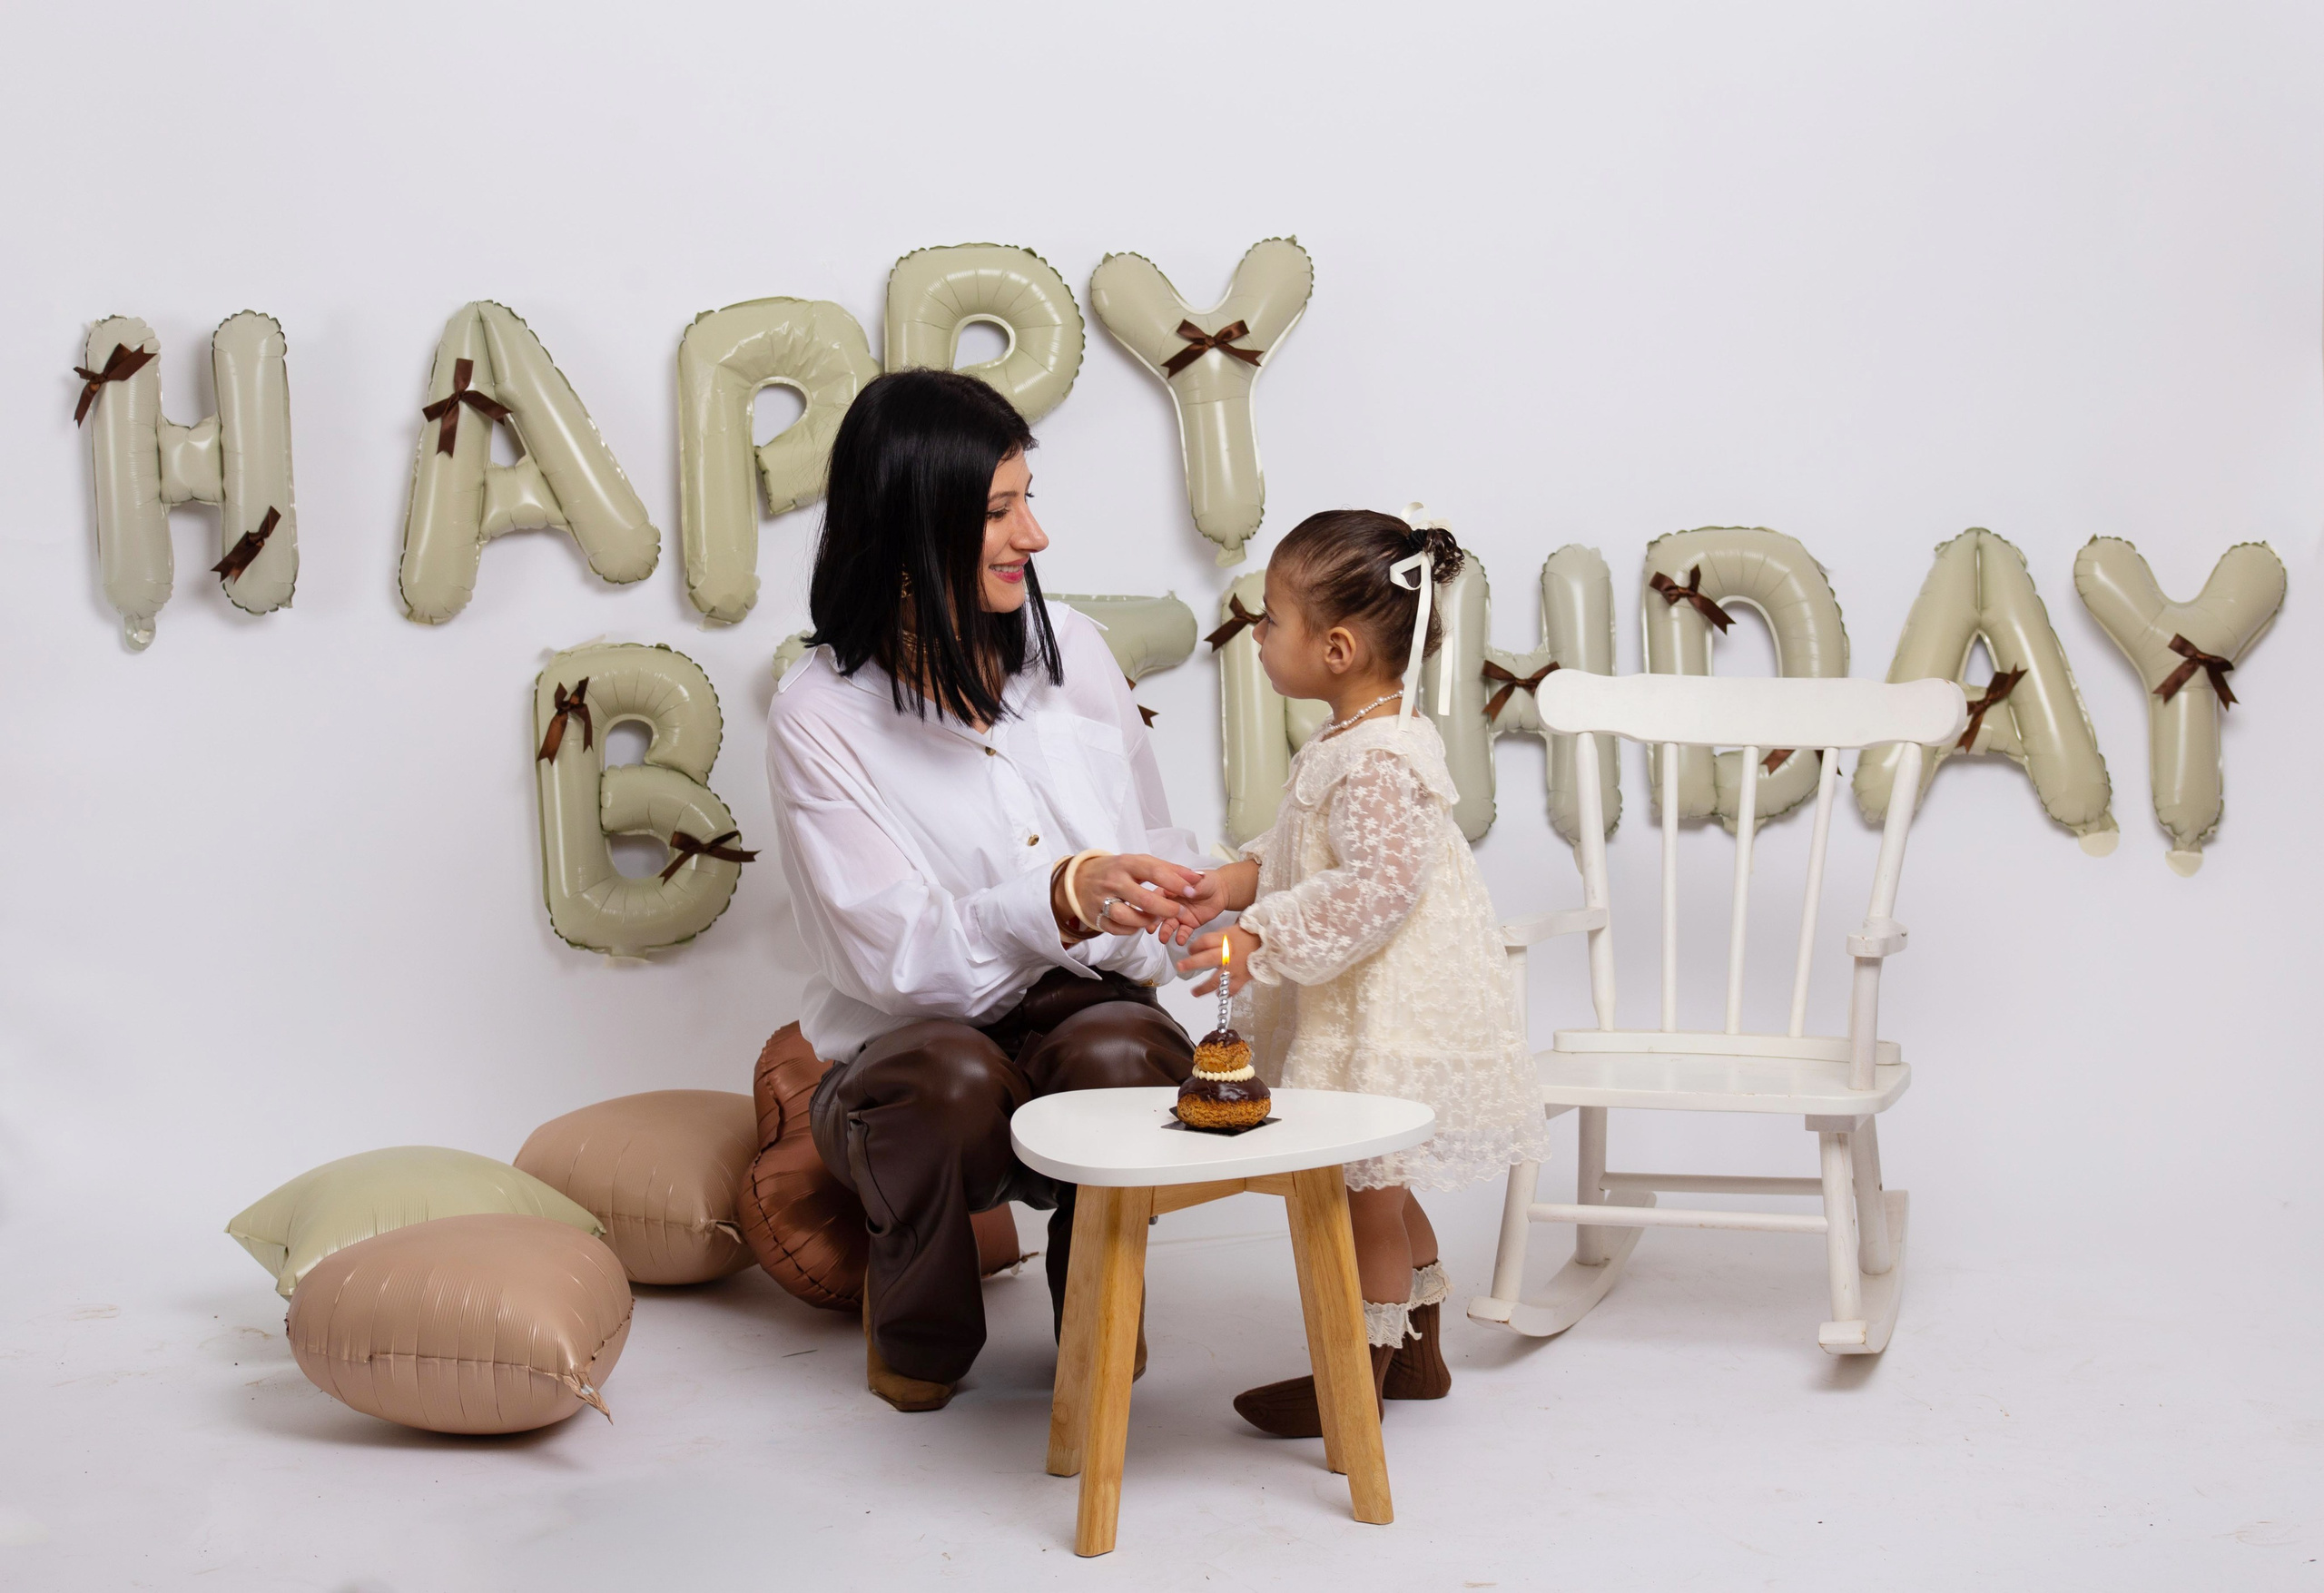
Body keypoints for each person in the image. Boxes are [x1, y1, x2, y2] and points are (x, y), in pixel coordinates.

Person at [764, 369, 1207, 1412]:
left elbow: (1150, 845)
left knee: (1123, 1049)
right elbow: (896, 964)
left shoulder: (1078, 657)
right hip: (905, 1051)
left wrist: (1166, 901)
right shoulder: (820, 714)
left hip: (1081, 1011)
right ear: (913, 521)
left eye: (1027, 499)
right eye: (1000, 510)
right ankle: (919, 1333)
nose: (1034, 536)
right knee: (948, 1081)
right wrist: (1058, 893)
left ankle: (1102, 1315)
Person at [1175, 508, 1551, 1436]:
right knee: (1380, 1184)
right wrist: (1234, 878)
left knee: (1360, 1199)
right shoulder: (1361, 737)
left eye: (1269, 620)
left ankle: (1356, 1376)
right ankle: (1415, 1358)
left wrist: (1256, 937)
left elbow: (1377, 886)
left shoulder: (1378, 757)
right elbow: (1313, 848)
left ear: (1335, 647)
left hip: (1387, 1012)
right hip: (1365, 999)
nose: (1256, 636)